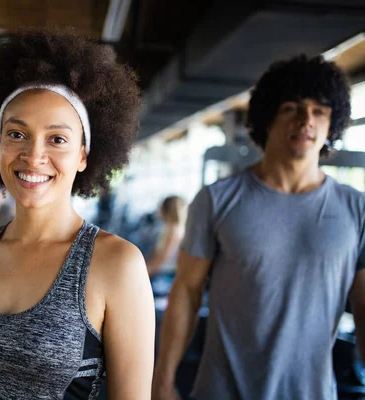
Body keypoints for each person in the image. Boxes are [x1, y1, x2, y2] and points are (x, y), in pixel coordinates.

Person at [0, 27, 155, 399]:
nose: (33, 155)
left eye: (57, 139)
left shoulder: (117, 265)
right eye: (16, 134)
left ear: (83, 155)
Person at [152, 54, 364, 400]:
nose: (306, 120)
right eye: (291, 108)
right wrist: (162, 382)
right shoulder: (217, 199)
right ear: (268, 117)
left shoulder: (357, 209)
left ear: (332, 123)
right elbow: (186, 292)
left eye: (319, 111)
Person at [146, 196, 187, 279]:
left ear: (164, 210)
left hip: (164, 276)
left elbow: (161, 259)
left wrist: (143, 274)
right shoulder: (175, 228)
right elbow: (157, 255)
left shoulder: (173, 231)